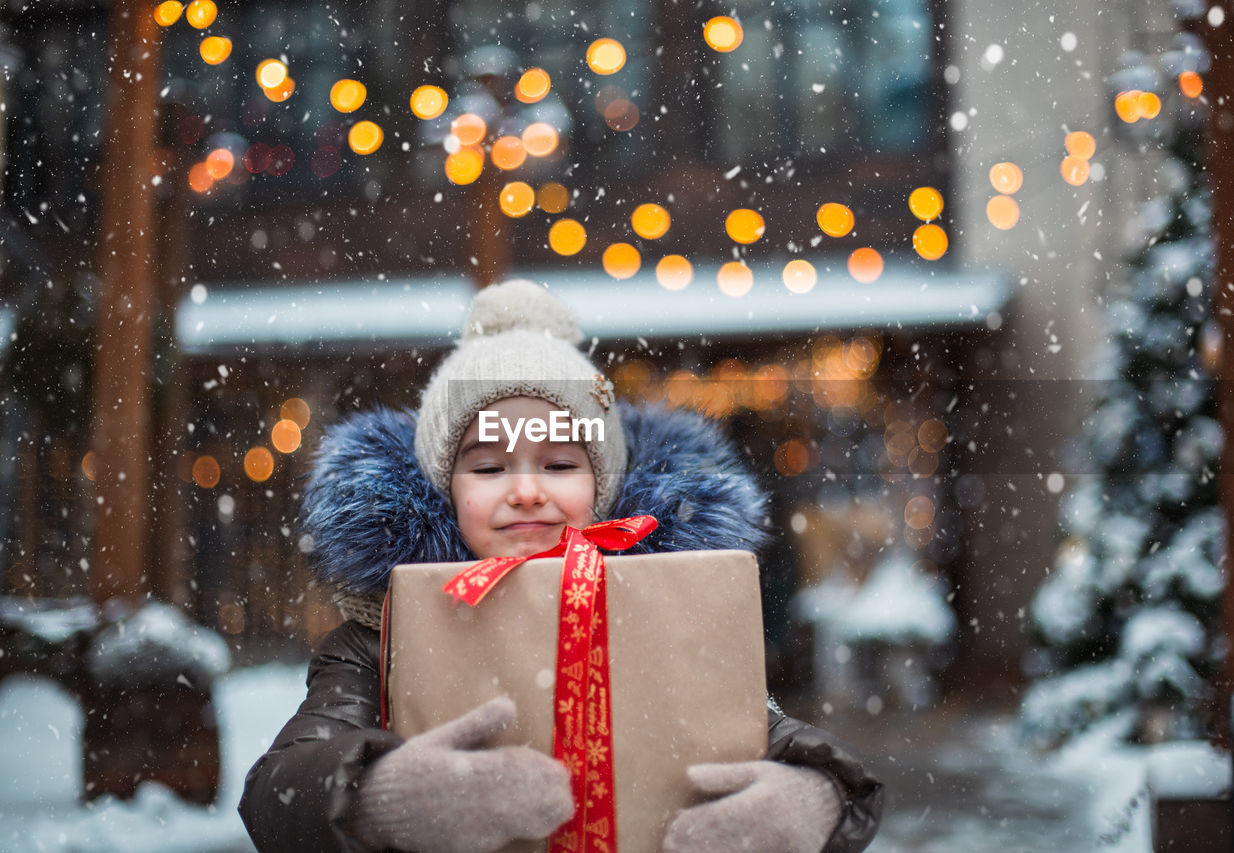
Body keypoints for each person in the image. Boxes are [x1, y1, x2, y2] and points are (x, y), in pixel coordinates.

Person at [239, 280, 883, 853]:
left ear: (602, 486)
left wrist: (811, 800)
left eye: (559, 465)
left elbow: (768, 732)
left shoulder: (666, 605)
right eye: (489, 467)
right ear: (446, 486)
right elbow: (276, 793)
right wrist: (381, 800)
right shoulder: (380, 633)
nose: (525, 491)